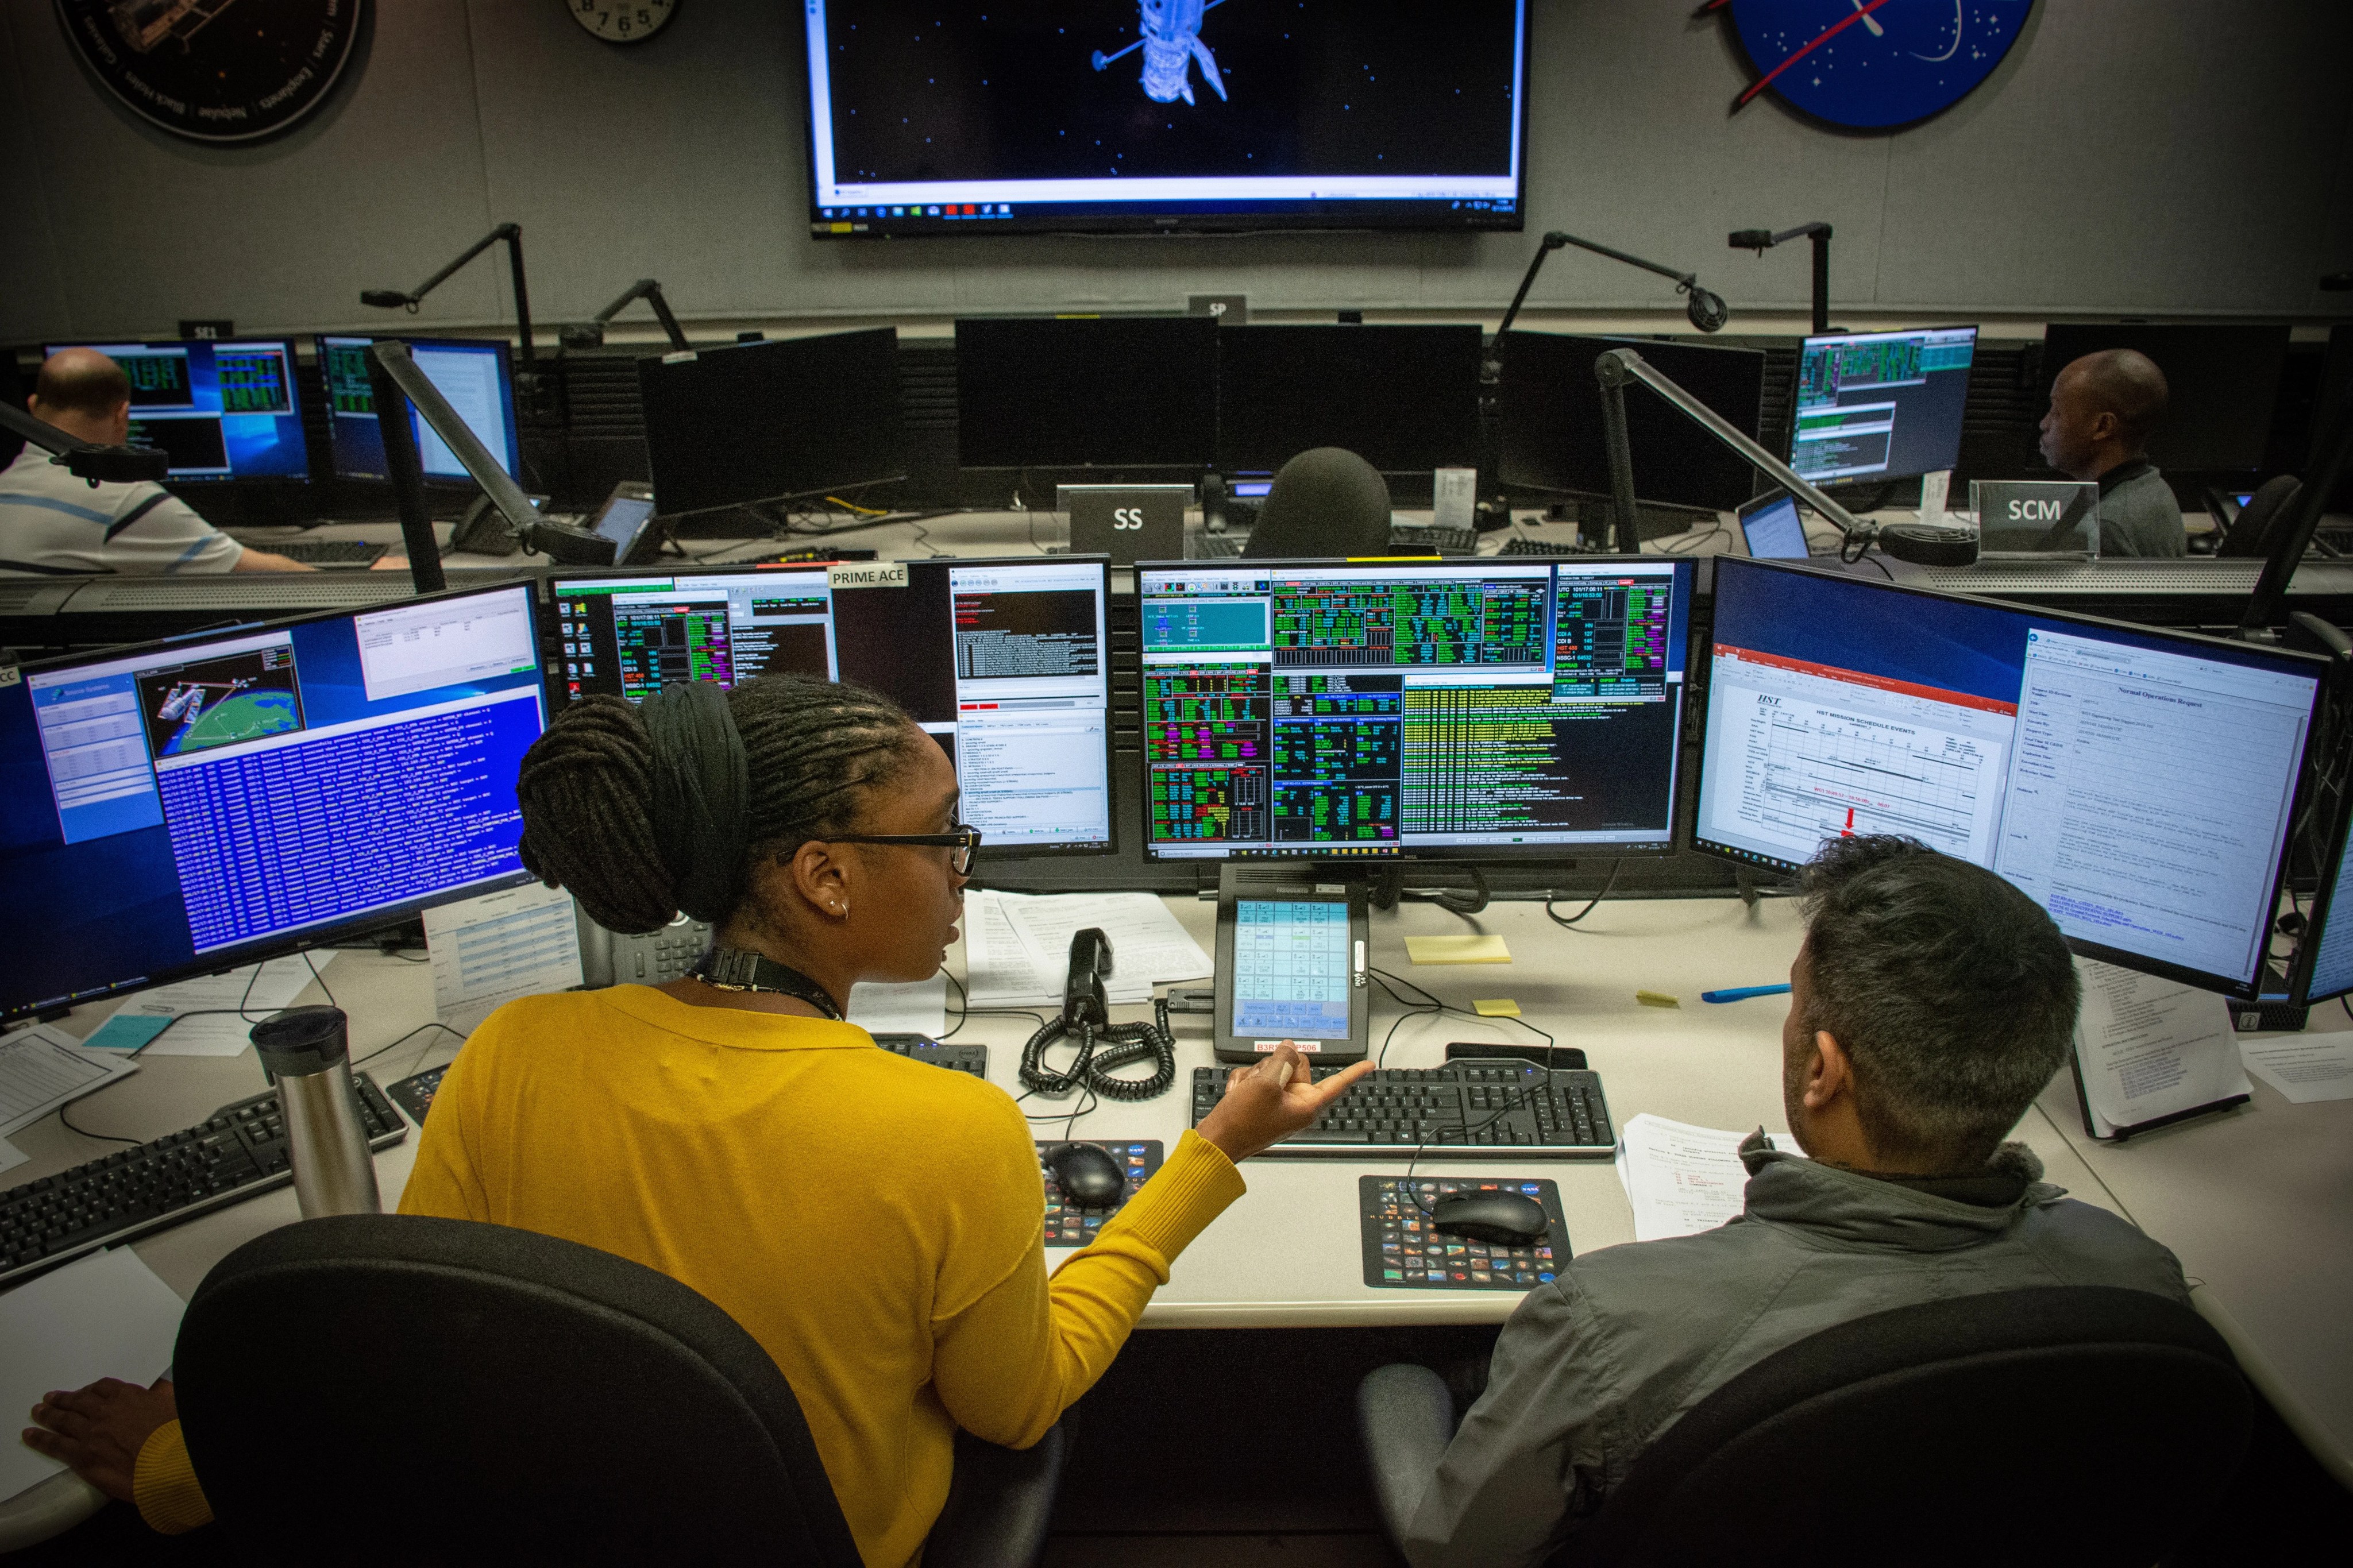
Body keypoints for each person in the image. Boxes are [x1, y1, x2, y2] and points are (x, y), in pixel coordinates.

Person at [23, 675, 1372, 1563]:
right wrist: (1206, 1160)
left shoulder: (514, 1052)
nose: (965, 873)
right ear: (826, 878)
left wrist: (174, 1465)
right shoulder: (943, 1131)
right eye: (944, 837)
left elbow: (400, 1368)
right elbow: (1015, 1412)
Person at [1390, 835, 2192, 1567]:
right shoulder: (2137, 1281)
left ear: (1824, 1071)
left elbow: (1457, 1553)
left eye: (1796, 1003)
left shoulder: (1608, 1322)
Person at [1, 347, 313, 576]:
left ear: (33, 407)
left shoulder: (7, 483)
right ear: (121, 414)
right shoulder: (118, 498)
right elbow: (262, 575)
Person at [2038, 347, 2184, 558]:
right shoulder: (2153, 486)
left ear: (2102, 427)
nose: (2045, 423)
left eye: (2056, 412)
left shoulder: (2105, 530)